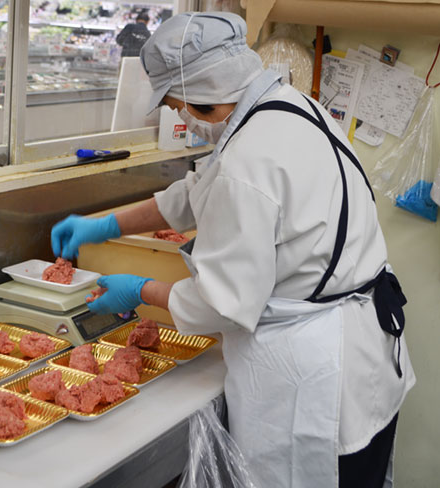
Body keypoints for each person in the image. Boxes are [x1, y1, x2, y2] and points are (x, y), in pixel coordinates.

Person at [51, 12, 415, 488]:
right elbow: (197, 192)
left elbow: (222, 304)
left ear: (201, 95)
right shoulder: (290, 108)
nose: (181, 118)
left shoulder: (249, 158)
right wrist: (107, 224)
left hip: (317, 382)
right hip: (367, 353)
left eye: (178, 106)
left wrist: (140, 289)